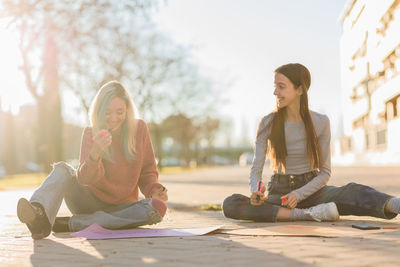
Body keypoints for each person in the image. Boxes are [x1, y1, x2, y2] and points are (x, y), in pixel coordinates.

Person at [223, 63, 399, 222]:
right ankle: (308, 214)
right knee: (231, 204)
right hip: (279, 194)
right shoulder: (268, 122)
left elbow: (325, 172)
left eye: (281, 87)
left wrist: (298, 195)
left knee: (353, 191)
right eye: (275, 87)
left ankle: (395, 204)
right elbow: (256, 168)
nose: (275, 92)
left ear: (299, 89)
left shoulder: (321, 122)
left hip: (313, 191)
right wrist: (256, 191)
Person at [17, 81, 168, 240]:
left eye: (119, 112)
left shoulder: (139, 129)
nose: (113, 118)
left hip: (123, 208)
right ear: (99, 111)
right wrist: (95, 155)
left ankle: (73, 224)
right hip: (87, 202)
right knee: (63, 169)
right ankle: (39, 213)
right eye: (107, 112)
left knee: (157, 208)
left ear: (127, 111)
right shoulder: (90, 133)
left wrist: (154, 191)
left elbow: (147, 171)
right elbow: (84, 179)